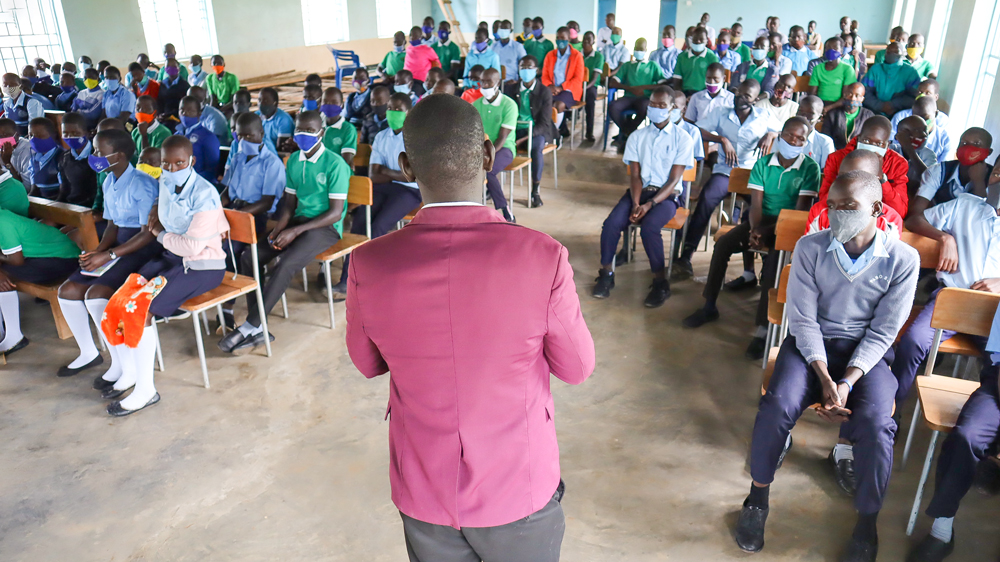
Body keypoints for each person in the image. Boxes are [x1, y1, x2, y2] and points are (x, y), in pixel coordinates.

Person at [345, 92, 594, 562]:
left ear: (407, 167)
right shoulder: (541, 256)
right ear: (485, 153)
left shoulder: (369, 262)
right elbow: (577, 367)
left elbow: (366, 363)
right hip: (517, 486)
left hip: (424, 487)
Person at [735, 170, 918, 562]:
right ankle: (757, 499)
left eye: (848, 206)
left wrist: (847, 381)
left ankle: (866, 523)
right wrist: (823, 376)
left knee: (876, 425)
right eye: (832, 205)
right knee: (778, 405)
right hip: (809, 348)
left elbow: (885, 331)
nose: (836, 214)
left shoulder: (903, 259)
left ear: (877, 209)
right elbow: (802, 320)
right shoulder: (810, 247)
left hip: (865, 359)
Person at [904, 181, 1000, 560]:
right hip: (987, 352)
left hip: (992, 323)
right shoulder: (966, 207)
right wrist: (944, 236)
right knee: (965, 436)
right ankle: (942, 530)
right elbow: (916, 218)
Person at [103, 135, 229, 416]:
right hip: (173, 258)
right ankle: (130, 372)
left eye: (179, 163)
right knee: (125, 294)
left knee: (142, 308)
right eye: (166, 164)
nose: (172, 169)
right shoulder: (166, 182)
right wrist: (159, 224)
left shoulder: (204, 195)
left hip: (202, 267)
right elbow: (162, 216)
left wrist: (159, 233)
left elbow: (192, 246)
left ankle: (146, 391)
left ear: (191, 161)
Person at [683, 117, 820, 361]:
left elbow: (800, 211)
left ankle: (762, 329)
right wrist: (755, 231)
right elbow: (756, 204)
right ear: (780, 135)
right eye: (789, 135)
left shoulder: (810, 168)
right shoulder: (764, 163)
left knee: (773, 267)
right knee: (724, 244)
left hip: (788, 227)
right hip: (761, 221)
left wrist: (766, 232)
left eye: (800, 138)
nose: (794, 141)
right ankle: (709, 305)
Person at [218, 110, 347, 354]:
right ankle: (259, 326)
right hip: (298, 221)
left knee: (286, 263)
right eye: (300, 130)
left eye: (310, 130)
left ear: (322, 132)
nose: (304, 135)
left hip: (324, 227)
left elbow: (336, 213)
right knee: (250, 256)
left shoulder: (335, 164)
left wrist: (295, 231)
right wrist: (279, 229)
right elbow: (288, 203)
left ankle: (250, 325)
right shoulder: (295, 160)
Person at [55, 128, 159, 382]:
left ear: (120, 155)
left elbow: (148, 234)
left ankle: (124, 366)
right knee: (67, 291)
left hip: (141, 249)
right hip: (118, 246)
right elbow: (112, 225)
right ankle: (89, 352)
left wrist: (110, 255)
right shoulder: (109, 180)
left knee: (96, 295)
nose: (95, 155)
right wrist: (98, 252)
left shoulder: (143, 184)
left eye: (100, 152)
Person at [593, 86, 694, 307]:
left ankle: (660, 282)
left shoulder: (683, 138)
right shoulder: (638, 136)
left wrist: (649, 205)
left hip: (666, 197)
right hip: (639, 193)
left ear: (671, 108)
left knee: (650, 228)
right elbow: (635, 175)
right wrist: (637, 203)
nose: (656, 108)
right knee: (611, 224)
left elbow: (674, 180)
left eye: (661, 105)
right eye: (652, 104)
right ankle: (606, 274)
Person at [674, 79, 779, 277]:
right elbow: (698, 129)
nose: (741, 98)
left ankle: (766, 263)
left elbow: (782, 129)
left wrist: (771, 135)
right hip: (726, 170)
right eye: (739, 93)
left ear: (756, 99)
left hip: (751, 173)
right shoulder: (722, 112)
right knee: (706, 200)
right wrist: (721, 139)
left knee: (765, 208)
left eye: (747, 96)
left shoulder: (763, 115)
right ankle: (686, 255)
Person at [329, 94, 419, 299]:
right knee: (360, 222)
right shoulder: (382, 136)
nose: (392, 113)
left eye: (397, 109)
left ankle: (371, 275)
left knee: (379, 226)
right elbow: (373, 174)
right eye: (390, 108)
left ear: (408, 112)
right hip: (384, 187)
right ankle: (347, 279)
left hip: (411, 190)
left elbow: (413, 176)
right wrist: (393, 174)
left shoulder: (416, 136)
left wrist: (387, 172)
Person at [216, 112, 285, 330]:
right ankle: (224, 305)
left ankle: (231, 309)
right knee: (215, 248)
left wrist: (238, 215)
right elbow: (227, 191)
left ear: (261, 135)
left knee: (231, 251)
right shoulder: (237, 158)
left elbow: (266, 201)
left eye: (250, 136)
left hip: (258, 215)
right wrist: (216, 207)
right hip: (236, 211)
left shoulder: (271, 163)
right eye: (240, 136)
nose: (244, 141)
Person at [0, 209, 81, 356]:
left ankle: (14, 337)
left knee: (3, 277)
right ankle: (4, 333)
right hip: (38, 256)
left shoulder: (2, 221)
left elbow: (16, 261)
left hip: (63, 259)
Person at [505, 55, 555, 208]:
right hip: (514, 129)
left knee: (535, 147)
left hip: (536, 131)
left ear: (537, 70)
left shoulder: (544, 92)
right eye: (522, 67)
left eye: (529, 67)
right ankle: (490, 186)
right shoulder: (510, 89)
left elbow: (544, 123)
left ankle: (535, 191)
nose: (525, 71)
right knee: (496, 143)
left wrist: (523, 139)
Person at [907, 128, 993, 215]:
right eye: (963, 143)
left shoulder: (995, 178)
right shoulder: (939, 171)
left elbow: (985, 217)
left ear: (989, 152)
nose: (967, 148)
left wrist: (978, 182)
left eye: (976, 144)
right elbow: (916, 212)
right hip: (932, 225)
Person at [473, 68, 518, 222]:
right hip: (480, 148)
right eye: (482, 81)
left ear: (497, 83)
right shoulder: (476, 104)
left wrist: (486, 155)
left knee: (489, 170)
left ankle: (504, 209)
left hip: (504, 148)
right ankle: (471, 209)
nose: (484, 85)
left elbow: (502, 138)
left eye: (488, 82)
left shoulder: (509, 105)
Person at [608, 38, 667, 149]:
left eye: (641, 49)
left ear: (646, 50)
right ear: (633, 49)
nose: (639, 51)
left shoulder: (652, 65)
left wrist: (643, 87)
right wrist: (629, 88)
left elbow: (662, 84)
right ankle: (628, 131)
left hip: (644, 98)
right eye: (637, 49)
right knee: (613, 107)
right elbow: (613, 82)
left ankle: (628, 132)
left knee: (645, 107)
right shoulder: (627, 65)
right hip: (628, 97)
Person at [542, 26, 585, 136]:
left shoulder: (577, 56)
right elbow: (545, 75)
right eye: (558, 37)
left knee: (559, 104)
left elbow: (578, 78)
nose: (560, 40)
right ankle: (558, 130)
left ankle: (554, 134)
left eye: (563, 38)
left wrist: (561, 88)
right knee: (545, 104)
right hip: (552, 89)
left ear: (569, 39)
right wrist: (550, 86)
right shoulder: (550, 55)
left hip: (569, 90)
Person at [861, 43, 920, 117]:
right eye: (888, 51)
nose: (891, 53)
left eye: (896, 52)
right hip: (873, 112)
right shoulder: (875, 69)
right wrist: (880, 106)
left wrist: (893, 104)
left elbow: (914, 97)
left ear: (903, 54)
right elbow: (864, 92)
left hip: (900, 114)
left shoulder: (910, 72)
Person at [175, 95, 221, 181]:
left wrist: (190, 180)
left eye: (190, 111)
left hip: (199, 183)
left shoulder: (208, 136)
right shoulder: (176, 135)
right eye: (182, 110)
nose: (185, 113)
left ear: (198, 114)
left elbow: (211, 171)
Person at [57, 112, 98, 207]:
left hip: (89, 207)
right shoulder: (64, 157)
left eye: (76, 133)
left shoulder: (97, 156)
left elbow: (97, 192)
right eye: (65, 134)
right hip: (71, 206)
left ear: (87, 134)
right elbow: (64, 189)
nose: (70, 137)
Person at [823, 83, 873, 150]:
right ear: (845, 95)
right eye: (850, 94)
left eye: (857, 95)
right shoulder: (832, 114)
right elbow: (826, 138)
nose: (853, 98)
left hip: (858, 155)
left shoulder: (868, 116)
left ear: (862, 99)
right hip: (835, 153)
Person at [809, 36, 858, 105]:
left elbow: (846, 96)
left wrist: (828, 108)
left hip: (839, 106)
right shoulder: (818, 68)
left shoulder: (847, 69)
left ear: (841, 51)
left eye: (835, 48)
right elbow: (813, 93)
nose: (831, 51)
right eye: (828, 48)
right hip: (820, 104)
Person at [673, 27, 719, 95]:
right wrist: (681, 96)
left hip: (704, 93)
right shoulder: (682, 57)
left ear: (706, 40)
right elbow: (677, 80)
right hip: (685, 93)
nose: (698, 41)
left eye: (701, 39)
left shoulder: (712, 58)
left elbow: (714, 82)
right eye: (695, 39)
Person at [320, 86, 357, 169]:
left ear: (342, 105)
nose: (329, 105)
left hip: (337, 172)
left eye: (334, 102)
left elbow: (345, 161)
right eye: (325, 102)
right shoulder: (317, 125)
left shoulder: (348, 129)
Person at [27, 117, 63, 199]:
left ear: (53, 136)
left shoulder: (61, 157)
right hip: (42, 202)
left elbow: (63, 191)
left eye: (39, 136)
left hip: (58, 201)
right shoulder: (33, 158)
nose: (34, 140)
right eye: (30, 136)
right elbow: (34, 189)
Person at [797, 95, 836, 169]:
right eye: (800, 111)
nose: (804, 117)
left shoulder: (825, 142)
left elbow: (826, 172)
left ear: (820, 118)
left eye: (810, 113)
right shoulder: (783, 138)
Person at [580, 32, 605, 142]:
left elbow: (594, 78)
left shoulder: (598, 56)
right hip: (577, 85)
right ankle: (564, 129)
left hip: (591, 86)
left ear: (593, 42)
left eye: (589, 40)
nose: (586, 42)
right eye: (584, 39)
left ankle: (589, 132)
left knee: (590, 100)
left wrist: (584, 88)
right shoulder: (577, 54)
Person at [254, 87, 294, 154]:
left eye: (266, 101)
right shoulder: (256, 115)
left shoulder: (283, 119)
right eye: (259, 100)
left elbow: (281, 148)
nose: (261, 103)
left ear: (275, 103)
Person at [0, 118, 32, 186]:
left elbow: (26, 187)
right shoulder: (1, 149)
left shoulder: (28, 150)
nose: (3, 139)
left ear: (17, 134)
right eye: (0, 136)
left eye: (6, 135)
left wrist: (7, 162)